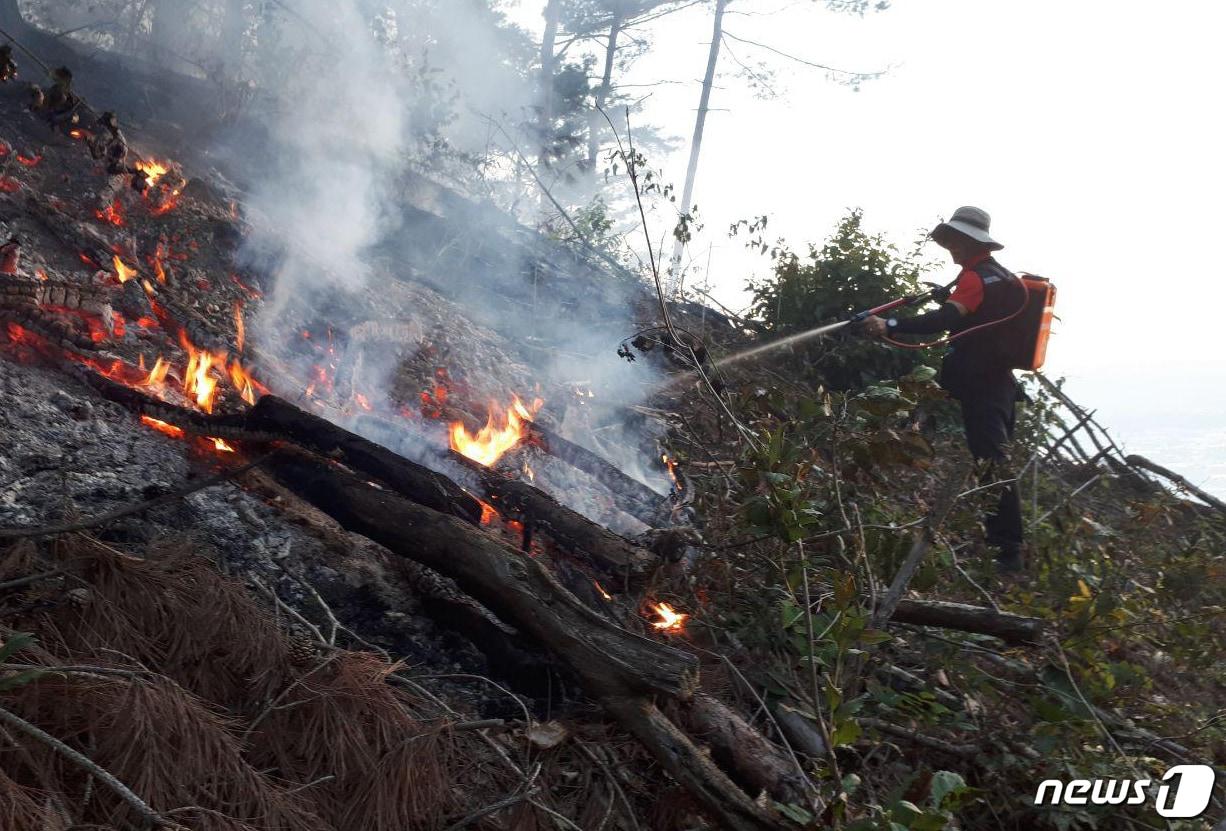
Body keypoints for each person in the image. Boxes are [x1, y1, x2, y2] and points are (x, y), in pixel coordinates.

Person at [862, 206, 1027, 573]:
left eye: (955, 240)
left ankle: (1008, 553)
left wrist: (889, 323)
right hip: (1001, 383)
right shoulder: (1001, 276)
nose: (951, 246)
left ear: (969, 241)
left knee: (992, 462)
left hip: (983, 383)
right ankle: (1000, 544)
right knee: (990, 458)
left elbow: (945, 321)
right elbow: (984, 317)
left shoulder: (974, 279)